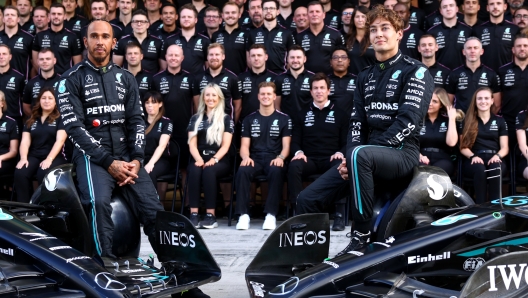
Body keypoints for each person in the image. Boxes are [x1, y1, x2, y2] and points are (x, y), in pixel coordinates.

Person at [296, 5, 434, 256]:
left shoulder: (417, 71)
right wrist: (352, 157)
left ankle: (360, 237)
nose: (379, 34)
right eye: (373, 30)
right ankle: (309, 263)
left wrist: (359, 155)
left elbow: (409, 123)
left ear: (399, 33)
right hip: (363, 156)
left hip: (402, 153)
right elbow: (356, 123)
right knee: (307, 199)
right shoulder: (364, 76)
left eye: (385, 28)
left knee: (361, 155)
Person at [55, 20, 166, 262]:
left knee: (154, 211)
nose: (99, 41)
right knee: (98, 203)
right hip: (92, 157)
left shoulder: (126, 78)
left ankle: (178, 273)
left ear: (113, 42)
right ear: (86, 42)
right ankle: (103, 268)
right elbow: (74, 128)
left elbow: (137, 121)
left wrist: (137, 159)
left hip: (127, 157)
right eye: (94, 36)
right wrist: (107, 162)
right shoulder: (69, 80)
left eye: (105, 36)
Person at [288, 73, 348, 216]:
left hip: (331, 158)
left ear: (328, 91)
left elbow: (348, 141)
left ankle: (339, 214)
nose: (319, 91)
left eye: (322, 88)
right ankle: (298, 211)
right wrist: (299, 153)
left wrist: (341, 152)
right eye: (315, 88)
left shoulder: (341, 114)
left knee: (343, 166)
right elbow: (295, 140)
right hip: (309, 160)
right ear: (311, 92)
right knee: (294, 166)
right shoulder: (301, 114)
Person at [235, 81, 291, 230]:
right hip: (255, 158)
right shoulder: (249, 119)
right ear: (258, 96)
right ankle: (243, 215)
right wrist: (246, 158)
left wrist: (280, 158)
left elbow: (286, 147)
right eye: (263, 94)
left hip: (274, 157)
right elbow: (244, 146)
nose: (266, 96)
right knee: (242, 170)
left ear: (274, 97)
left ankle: (271, 215)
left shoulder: (284, 119)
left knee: (277, 170)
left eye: (269, 94)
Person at [187, 83, 234, 229]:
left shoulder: (226, 119)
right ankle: (194, 214)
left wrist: (214, 160)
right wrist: (199, 159)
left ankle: (210, 215)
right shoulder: (195, 118)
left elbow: (226, 146)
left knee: (209, 171)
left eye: (214, 95)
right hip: (200, 158)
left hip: (220, 160)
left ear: (219, 98)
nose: (210, 98)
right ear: (203, 98)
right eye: (207, 95)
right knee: (194, 169)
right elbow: (192, 144)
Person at [14, 87, 67, 203]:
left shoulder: (60, 118)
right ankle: (24, 208)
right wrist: (23, 158)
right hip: (35, 155)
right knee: (20, 172)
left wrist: (49, 159)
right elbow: (25, 141)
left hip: (55, 157)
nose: (46, 101)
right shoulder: (31, 119)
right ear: (39, 101)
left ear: (55, 101)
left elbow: (60, 141)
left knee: (44, 173)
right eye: (43, 98)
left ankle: (44, 208)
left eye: (50, 98)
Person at [152, 44, 194, 180]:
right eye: (170, 55)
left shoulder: (191, 78)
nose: (173, 58)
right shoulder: (156, 79)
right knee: (162, 165)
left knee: (184, 168)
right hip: (162, 129)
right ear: (165, 57)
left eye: (176, 55)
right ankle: (160, 201)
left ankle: (186, 201)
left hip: (184, 129)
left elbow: (197, 104)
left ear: (182, 58)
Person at [460, 87, 508, 204]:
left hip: (495, 157)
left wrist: (498, 156)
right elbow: (463, 146)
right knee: (480, 169)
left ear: (492, 101)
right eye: (479, 98)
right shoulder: (467, 120)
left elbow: (505, 147)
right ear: (475, 101)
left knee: (495, 168)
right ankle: (481, 206)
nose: (483, 101)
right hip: (474, 158)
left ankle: (495, 206)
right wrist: (473, 157)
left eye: (486, 98)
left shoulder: (500, 121)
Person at [446, 37, 501, 113]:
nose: (472, 51)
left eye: (475, 48)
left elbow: (497, 105)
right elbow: (449, 103)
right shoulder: (454, 74)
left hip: (483, 122)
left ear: (481, 51)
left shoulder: (491, 74)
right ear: (463, 52)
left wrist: (486, 120)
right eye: (469, 48)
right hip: (461, 121)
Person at [193, 43, 242, 123]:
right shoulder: (198, 78)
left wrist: (231, 125)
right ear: (207, 57)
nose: (214, 57)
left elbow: (238, 106)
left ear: (223, 56)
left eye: (217, 54)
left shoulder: (233, 78)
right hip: (204, 126)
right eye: (211, 55)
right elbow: (197, 105)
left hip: (224, 125)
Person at [419, 87, 462, 176]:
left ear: (441, 104)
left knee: (435, 173)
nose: (430, 104)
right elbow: (411, 143)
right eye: (428, 99)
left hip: (443, 159)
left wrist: (452, 119)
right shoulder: (418, 119)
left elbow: (451, 143)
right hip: (421, 157)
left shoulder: (447, 120)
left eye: (435, 101)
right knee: (422, 171)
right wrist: (420, 156)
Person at [295, 1, 344, 74]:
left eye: (317, 11)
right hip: (306, 80)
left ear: (324, 15)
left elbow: (343, 59)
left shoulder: (336, 35)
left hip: (330, 79)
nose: (314, 14)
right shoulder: (299, 37)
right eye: (311, 12)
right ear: (308, 15)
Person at [32, 3, 82, 75]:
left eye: (59, 14)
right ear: (49, 16)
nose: (56, 16)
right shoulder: (39, 36)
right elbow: (35, 62)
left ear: (64, 16)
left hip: (65, 80)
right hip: (45, 80)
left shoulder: (72, 37)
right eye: (53, 14)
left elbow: (77, 64)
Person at [247, 0, 295, 74]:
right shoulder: (253, 33)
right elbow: (248, 58)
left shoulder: (287, 33)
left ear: (278, 11)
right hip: (259, 76)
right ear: (262, 11)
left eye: (272, 8)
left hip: (279, 75)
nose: (268, 11)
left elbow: (292, 57)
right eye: (265, 9)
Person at [161, 4, 211, 74]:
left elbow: (208, 65)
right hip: (176, 83)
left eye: (189, 17)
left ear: (196, 20)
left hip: (198, 83)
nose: (186, 19)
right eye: (183, 17)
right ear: (179, 19)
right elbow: (164, 66)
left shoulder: (205, 40)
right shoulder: (170, 40)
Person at [498, 34, 528, 150]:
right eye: (519, 46)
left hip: (527, 120)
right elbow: (497, 100)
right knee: (508, 153)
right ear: (513, 49)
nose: (522, 48)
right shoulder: (502, 70)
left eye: (526, 45)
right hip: (508, 120)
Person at [472, 0, 519, 72]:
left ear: (505, 6)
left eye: (499, 3)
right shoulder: (478, 30)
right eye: (491, 4)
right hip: (484, 76)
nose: (495, 7)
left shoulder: (514, 29)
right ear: (487, 8)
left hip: (507, 75)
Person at [113, 9, 165, 73]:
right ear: (132, 24)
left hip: (151, 81)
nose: (139, 24)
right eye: (136, 21)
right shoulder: (122, 41)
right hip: (128, 80)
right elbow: (116, 67)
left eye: (142, 21)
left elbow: (163, 69)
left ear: (148, 25)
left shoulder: (158, 42)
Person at [143, 91, 173, 198]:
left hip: (160, 160)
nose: (150, 105)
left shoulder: (166, 122)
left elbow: (162, 146)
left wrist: (151, 163)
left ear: (160, 104)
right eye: (147, 102)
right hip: (142, 158)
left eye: (153, 102)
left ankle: (153, 206)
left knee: (149, 172)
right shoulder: (139, 121)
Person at [426, 0, 472, 70]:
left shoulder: (468, 30)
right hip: (439, 75)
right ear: (441, 11)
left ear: (457, 9)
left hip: (462, 75)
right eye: (444, 7)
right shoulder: (432, 32)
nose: (448, 9)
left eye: (451, 5)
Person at [274, 45, 314, 120]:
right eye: (292, 57)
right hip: (287, 122)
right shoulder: (279, 79)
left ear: (304, 59)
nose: (295, 60)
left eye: (298, 57)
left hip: (308, 121)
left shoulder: (313, 78)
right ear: (287, 59)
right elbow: (277, 106)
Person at [239, 44, 277, 121]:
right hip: (246, 123)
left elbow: (278, 103)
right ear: (249, 58)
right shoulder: (240, 78)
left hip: (269, 122)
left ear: (266, 57)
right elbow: (237, 104)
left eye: (259, 55)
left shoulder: (275, 78)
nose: (256, 58)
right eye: (253, 56)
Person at [212, 2, 248, 75]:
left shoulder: (247, 34)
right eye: (227, 13)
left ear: (239, 15)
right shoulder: (215, 35)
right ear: (222, 15)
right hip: (220, 79)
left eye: (233, 12)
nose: (230, 15)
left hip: (240, 78)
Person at [23, 49, 61, 116]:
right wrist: (36, 120)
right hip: (37, 123)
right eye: (41, 59)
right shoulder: (31, 83)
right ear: (37, 61)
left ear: (54, 60)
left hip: (58, 124)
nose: (44, 61)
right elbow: (26, 106)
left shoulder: (63, 82)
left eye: (48, 59)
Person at [0, 6, 34, 79]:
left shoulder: (29, 38)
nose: (9, 17)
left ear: (18, 19)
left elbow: (34, 64)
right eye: (7, 15)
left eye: (12, 15)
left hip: (21, 84)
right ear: (3, 19)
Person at [0, 44, 26, 130]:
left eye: (4, 54)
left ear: (10, 57)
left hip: (14, 120)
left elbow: (24, 100)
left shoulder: (19, 77)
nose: (1, 57)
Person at [345, 6, 376, 75]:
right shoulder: (347, 39)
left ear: (368, 19)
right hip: (352, 81)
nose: (360, 20)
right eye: (357, 17)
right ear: (353, 19)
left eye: (363, 17)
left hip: (371, 80)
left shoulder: (374, 38)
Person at [328, 47, 357, 115]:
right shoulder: (325, 81)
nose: (340, 60)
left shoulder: (357, 80)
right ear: (330, 62)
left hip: (352, 121)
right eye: (335, 57)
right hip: (330, 119)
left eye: (343, 57)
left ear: (349, 61)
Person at [0, 90, 19, 177]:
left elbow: (14, 151)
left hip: (5, 159)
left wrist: (1, 158)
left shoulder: (11, 122)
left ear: (2, 104)